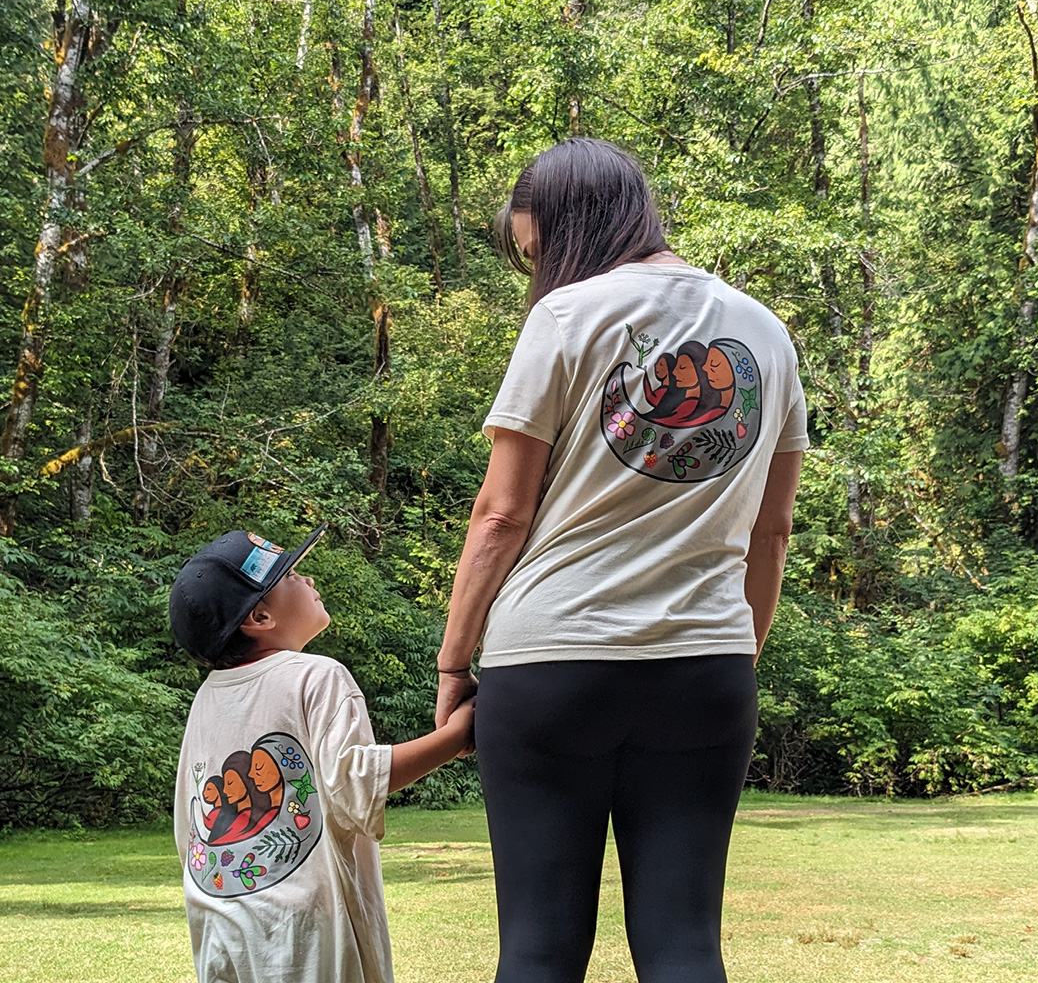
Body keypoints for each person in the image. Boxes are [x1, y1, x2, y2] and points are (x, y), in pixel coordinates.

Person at [434, 138, 806, 983]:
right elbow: (772, 531)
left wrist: (455, 663)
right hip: (704, 664)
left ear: (571, 229)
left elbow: (499, 516)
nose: (538, 275)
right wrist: (732, 657)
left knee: (539, 943)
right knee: (683, 944)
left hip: (552, 662)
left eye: (537, 253)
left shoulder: (567, 318)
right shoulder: (765, 331)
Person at [171, 523, 475, 983]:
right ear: (259, 618)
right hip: (309, 936)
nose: (309, 580)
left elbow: (190, 825)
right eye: (292, 576)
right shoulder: (317, 676)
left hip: (223, 927)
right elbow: (355, 782)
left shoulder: (207, 699)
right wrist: (458, 734)